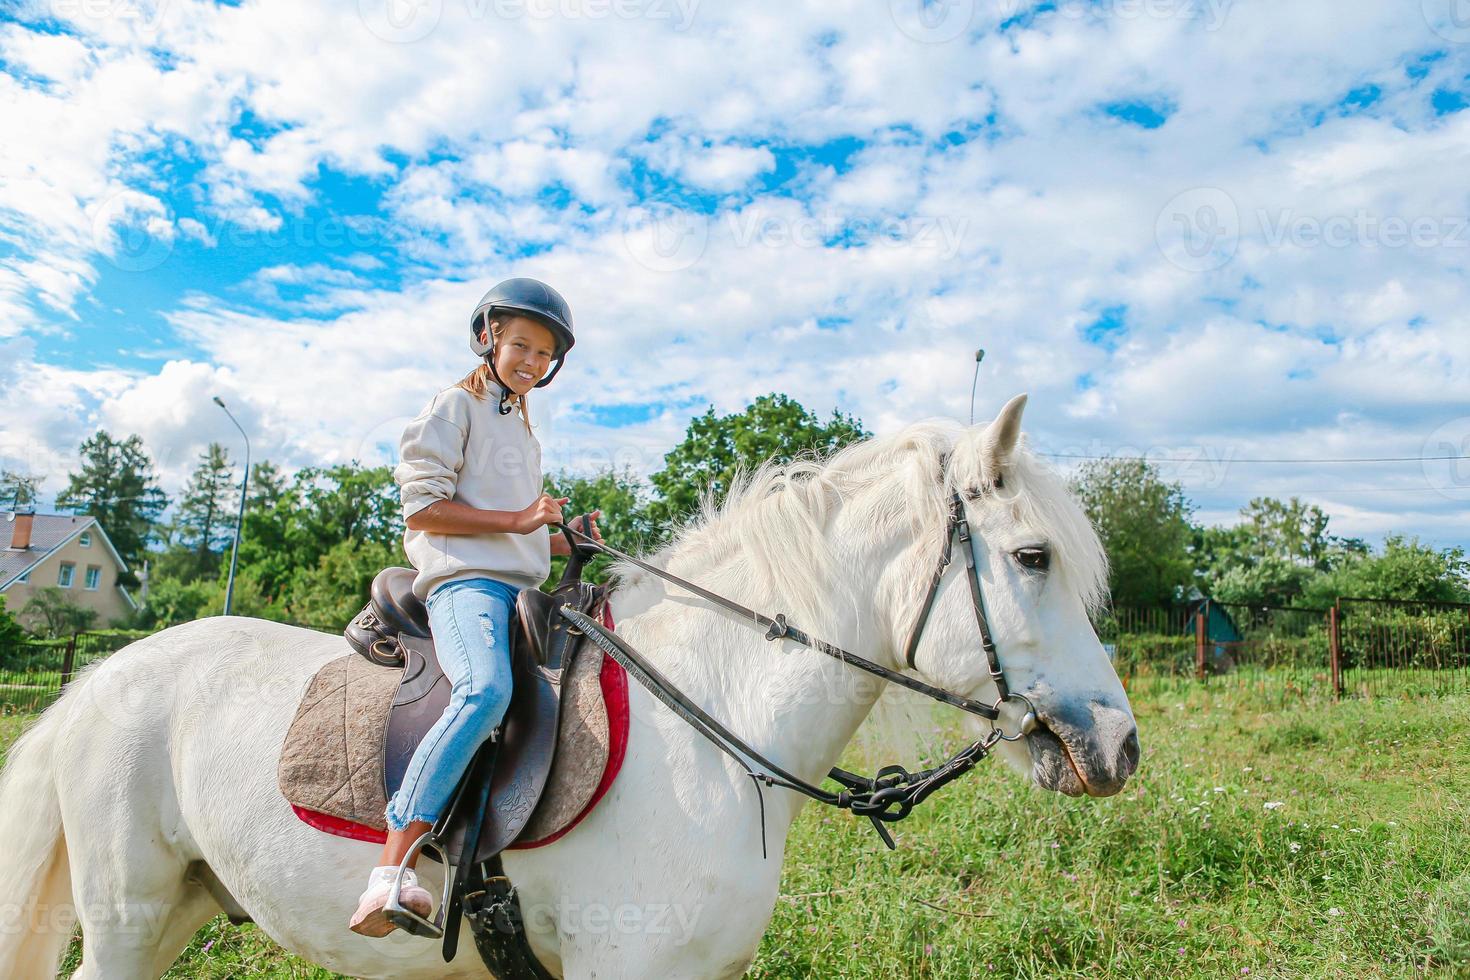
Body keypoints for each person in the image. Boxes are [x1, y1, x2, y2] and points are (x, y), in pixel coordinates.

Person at [348, 277, 604, 937]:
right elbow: (425, 508)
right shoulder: (452, 408)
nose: (531, 361)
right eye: (521, 344)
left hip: (521, 590)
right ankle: (388, 872)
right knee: (483, 690)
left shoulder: (518, 423)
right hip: (467, 586)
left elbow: (509, 529)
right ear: (488, 336)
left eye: (545, 354)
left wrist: (563, 538)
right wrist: (523, 517)